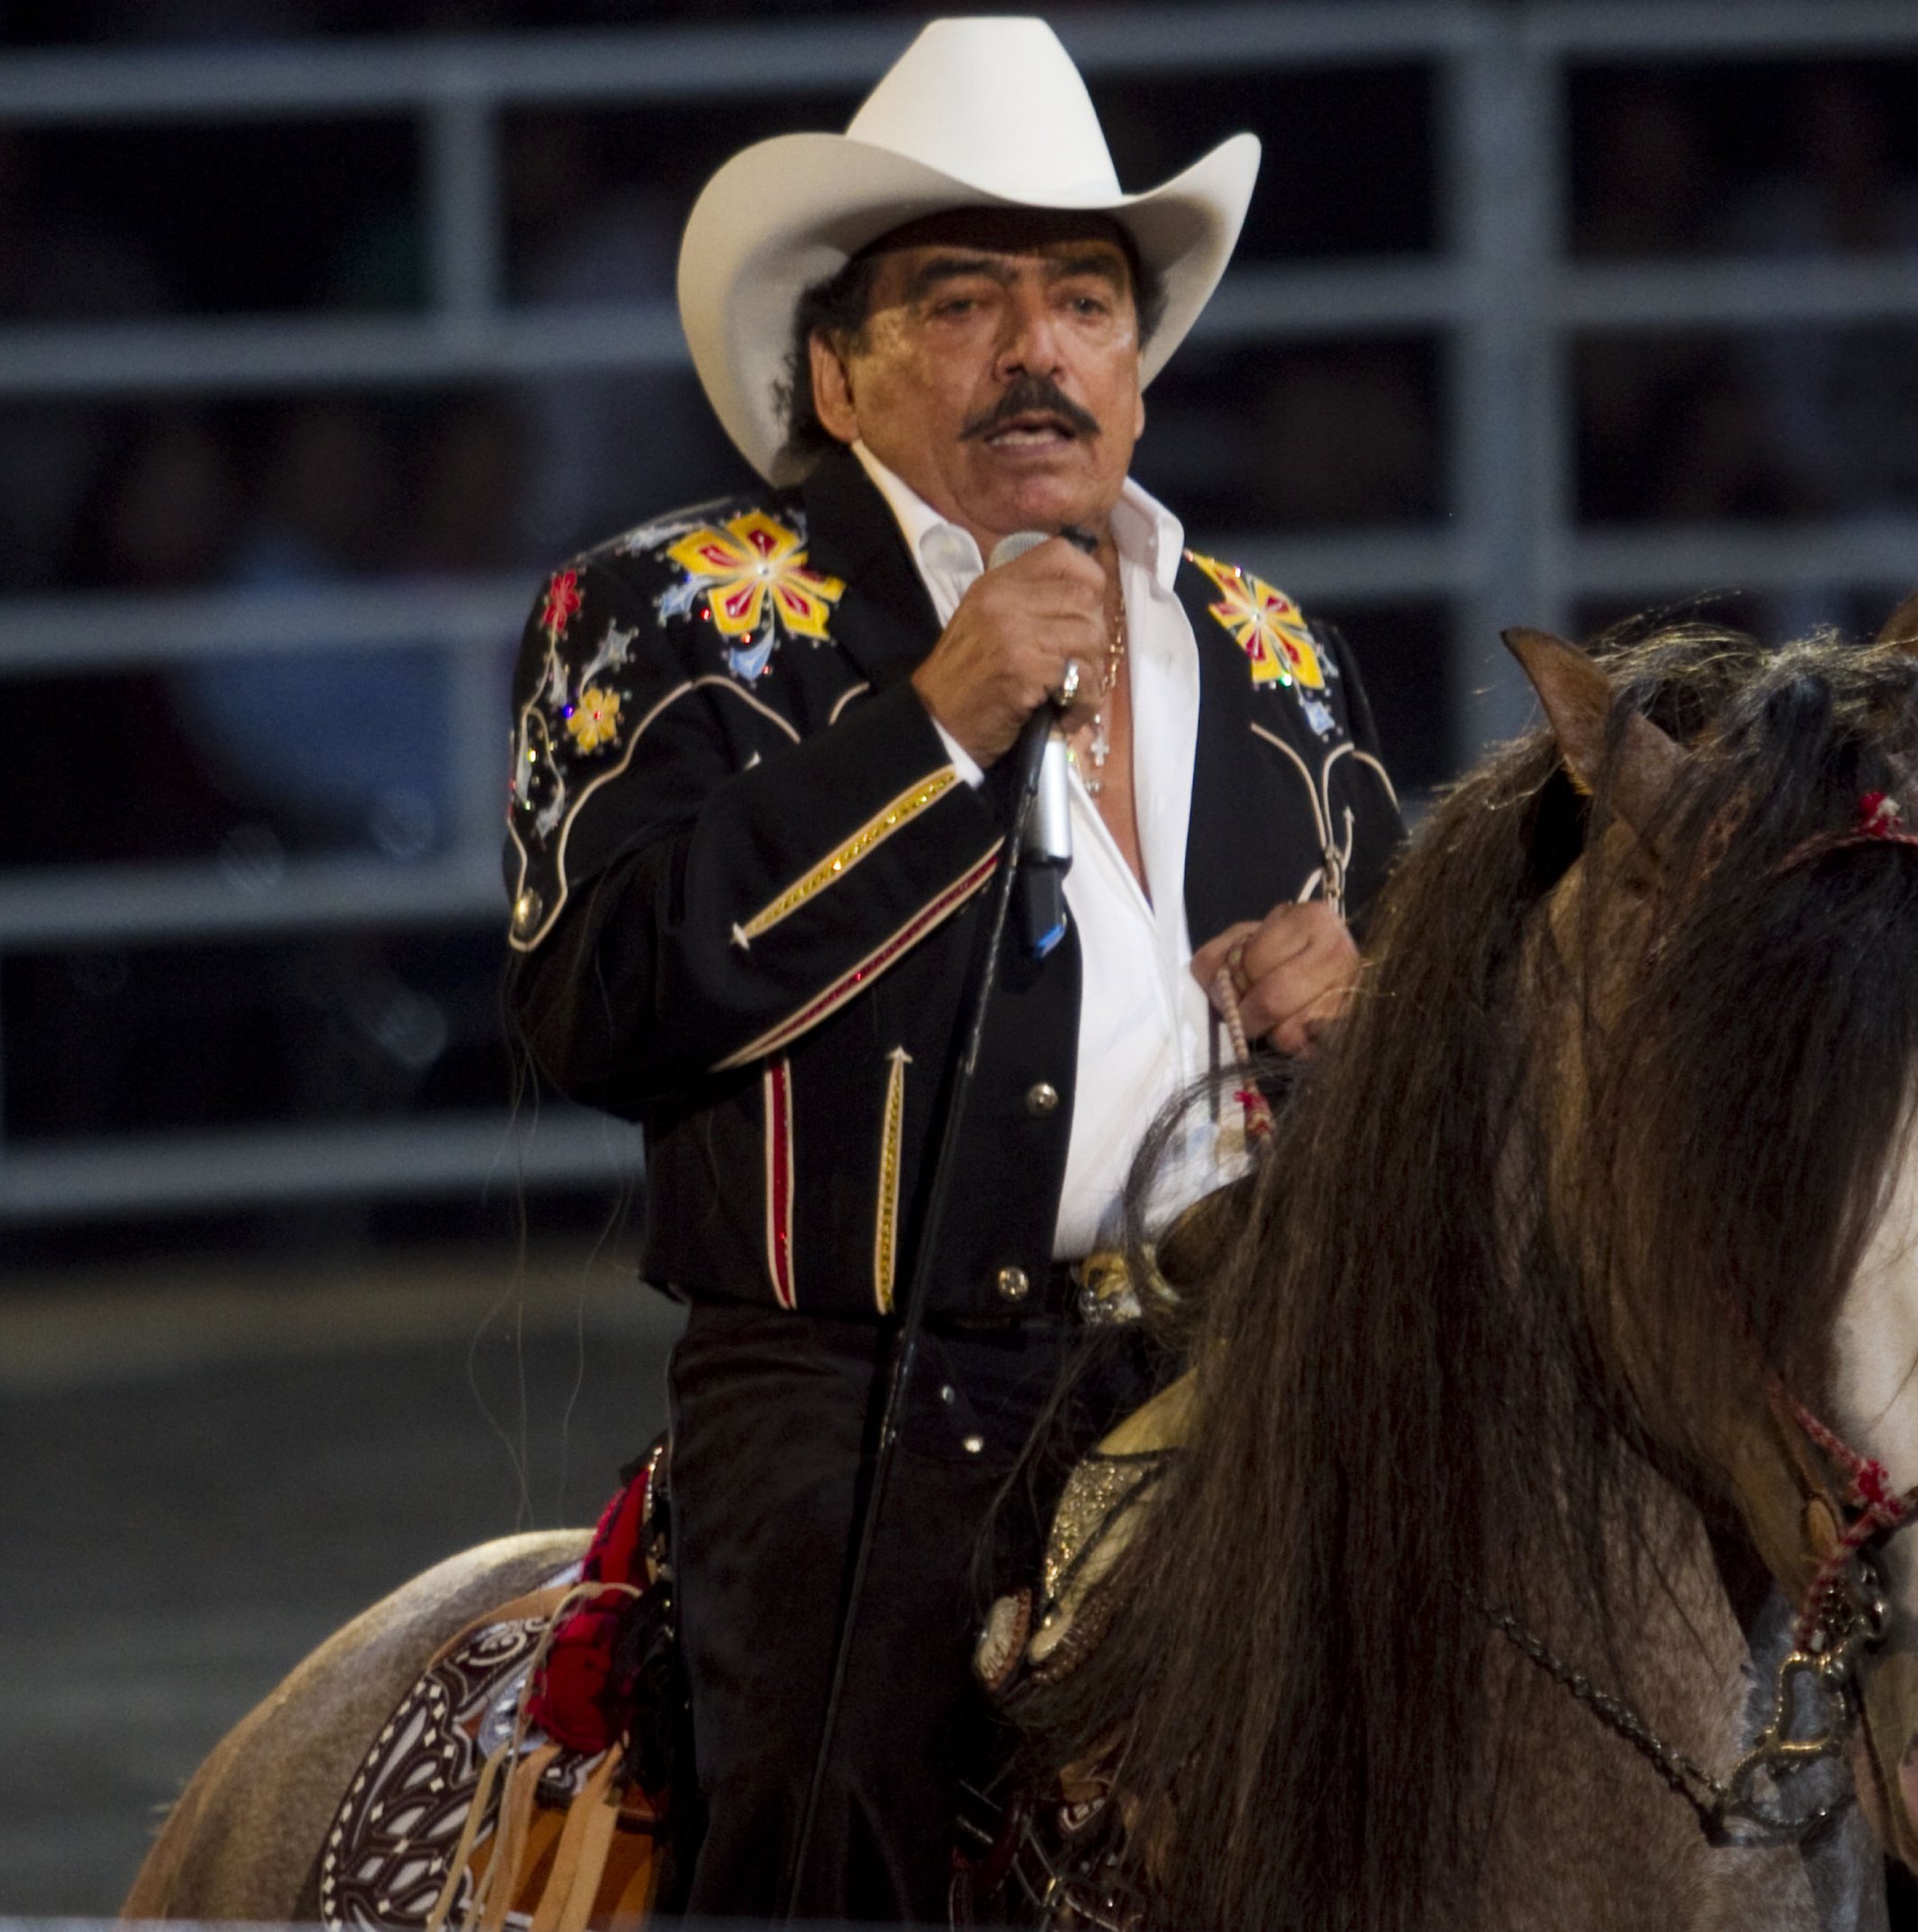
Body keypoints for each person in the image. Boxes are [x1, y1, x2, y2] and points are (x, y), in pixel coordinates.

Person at [499, 19, 1405, 1919]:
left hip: (1244, 1357)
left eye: (1083, 300)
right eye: (961, 301)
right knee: (835, 1823)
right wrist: (928, 727)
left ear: (1136, 370)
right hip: (848, 1391)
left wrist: (1367, 1010)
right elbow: (602, 998)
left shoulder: (1272, 647)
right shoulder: (674, 612)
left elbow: (1414, 1056)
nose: (1034, 350)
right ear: (836, 371)